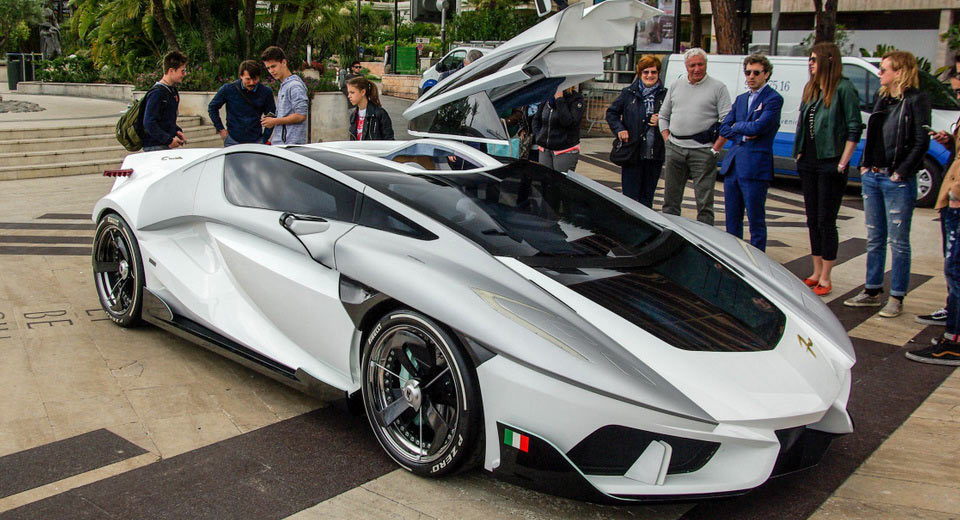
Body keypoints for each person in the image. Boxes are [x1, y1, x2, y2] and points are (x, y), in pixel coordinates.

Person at [844, 51, 930, 317]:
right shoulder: (882, 98)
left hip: (896, 179)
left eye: (884, 69)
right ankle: (872, 290)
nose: (880, 74)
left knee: (899, 241)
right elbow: (873, 134)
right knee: (875, 238)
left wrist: (901, 172)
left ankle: (897, 296)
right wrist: (865, 165)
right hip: (873, 174)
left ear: (900, 72)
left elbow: (921, 141)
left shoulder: (916, 100)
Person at [792, 42, 862, 297]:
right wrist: (799, 152)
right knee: (812, 219)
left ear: (828, 60)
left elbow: (854, 127)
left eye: (814, 59)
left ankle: (826, 275)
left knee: (826, 220)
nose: (810, 63)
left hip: (831, 160)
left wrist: (843, 162)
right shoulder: (811, 89)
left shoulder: (844, 88)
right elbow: (803, 123)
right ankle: (815, 270)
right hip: (809, 160)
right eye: (809, 59)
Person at [906, 111, 960, 364]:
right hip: (951, 199)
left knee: (955, 269)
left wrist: (956, 193)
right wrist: (950, 142)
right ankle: (952, 326)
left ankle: (955, 340)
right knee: (953, 269)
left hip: (956, 199)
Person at [658, 48, 732, 225]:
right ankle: (671, 231)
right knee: (670, 200)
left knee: (704, 202)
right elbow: (663, 116)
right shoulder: (676, 85)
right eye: (692, 65)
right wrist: (667, 140)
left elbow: (728, 122)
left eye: (700, 64)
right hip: (675, 148)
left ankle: (705, 235)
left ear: (706, 64)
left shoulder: (718, 88)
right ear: (686, 66)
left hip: (703, 151)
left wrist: (715, 149)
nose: (697, 69)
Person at [718, 54, 784, 251]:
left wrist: (738, 126)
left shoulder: (773, 99)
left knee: (755, 219)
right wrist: (742, 134)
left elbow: (760, 127)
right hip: (733, 166)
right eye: (748, 72)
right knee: (732, 219)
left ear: (766, 74)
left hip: (755, 167)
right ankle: (733, 257)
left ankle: (757, 260)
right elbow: (724, 128)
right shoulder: (741, 99)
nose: (751, 76)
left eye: (756, 72)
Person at [605, 55, 667, 208]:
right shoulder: (628, 93)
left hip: (654, 154)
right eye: (646, 72)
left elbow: (676, 117)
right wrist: (620, 129)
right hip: (632, 152)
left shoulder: (665, 95)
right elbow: (612, 113)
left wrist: (662, 121)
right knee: (630, 199)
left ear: (658, 73)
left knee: (647, 198)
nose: (650, 76)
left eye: (653, 72)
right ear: (640, 73)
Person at [207, 60, 276, 146]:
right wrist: (221, 129)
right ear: (241, 76)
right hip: (232, 140)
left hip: (257, 140)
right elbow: (212, 107)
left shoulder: (266, 92)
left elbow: (271, 114)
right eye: (248, 79)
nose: (252, 83)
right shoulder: (228, 89)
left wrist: (265, 137)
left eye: (255, 79)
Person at [260, 46, 308, 145]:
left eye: (273, 66)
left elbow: (301, 115)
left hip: (291, 145)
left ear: (284, 62)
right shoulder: (284, 85)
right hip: (282, 144)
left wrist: (274, 121)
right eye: (268, 68)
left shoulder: (294, 86)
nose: (271, 71)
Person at [531, 85, 585, 173]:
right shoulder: (547, 99)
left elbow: (568, 122)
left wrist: (559, 100)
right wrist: (539, 136)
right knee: (544, 179)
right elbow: (536, 119)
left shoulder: (576, 99)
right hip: (545, 149)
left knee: (560, 180)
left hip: (565, 149)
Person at [142, 50, 188, 152]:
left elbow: (165, 120)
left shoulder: (172, 91)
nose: (184, 74)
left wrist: (177, 131)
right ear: (171, 71)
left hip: (164, 145)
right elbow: (149, 123)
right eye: (182, 71)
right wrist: (168, 140)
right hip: (155, 146)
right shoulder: (157, 93)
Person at [346, 76, 394, 141]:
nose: (349, 96)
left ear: (363, 92)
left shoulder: (379, 113)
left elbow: (389, 140)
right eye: (348, 93)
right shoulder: (353, 115)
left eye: (352, 92)